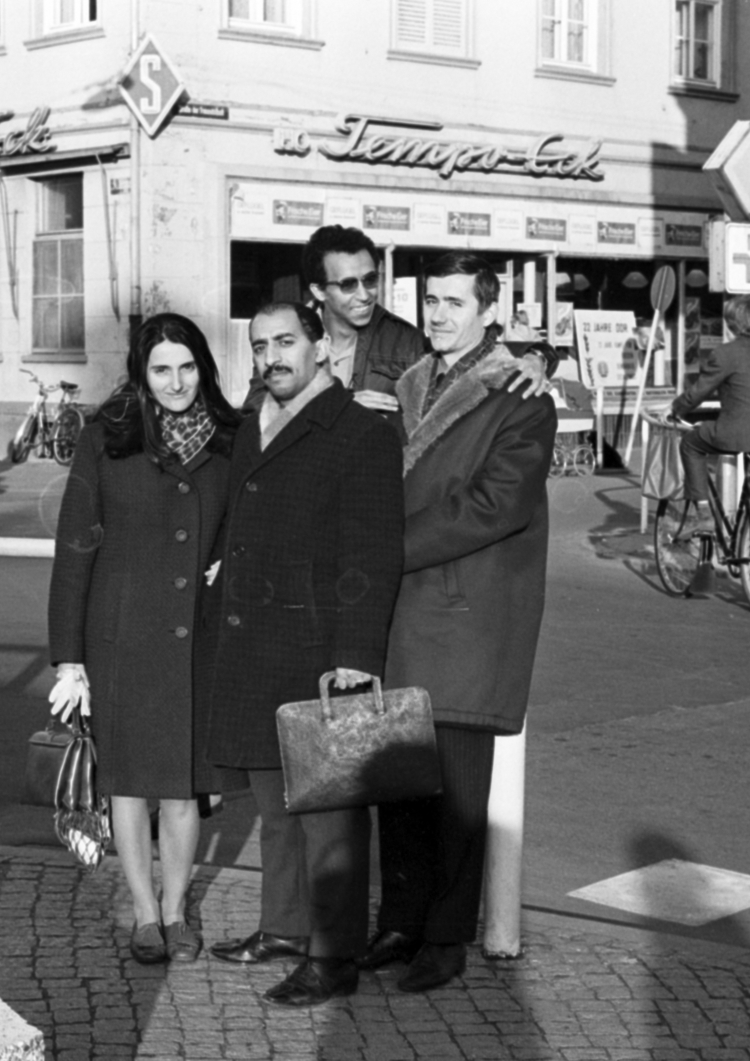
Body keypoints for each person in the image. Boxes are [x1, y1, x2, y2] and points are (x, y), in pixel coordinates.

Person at [361, 252, 557, 994]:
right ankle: (402, 921)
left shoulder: (519, 394)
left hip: (464, 616)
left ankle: (446, 936)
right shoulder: (410, 383)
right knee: (401, 786)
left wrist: (388, 549)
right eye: (430, 301)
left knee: (459, 794)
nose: (438, 314)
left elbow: (495, 505)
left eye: (452, 302)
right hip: (405, 612)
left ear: (487, 310)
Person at [199, 301, 403, 1007]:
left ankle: (333, 954)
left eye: (286, 341)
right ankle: (283, 928)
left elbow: (373, 549)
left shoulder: (358, 430)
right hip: (254, 644)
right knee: (274, 809)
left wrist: (356, 650)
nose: (272, 357)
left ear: (321, 345)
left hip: (319, 651)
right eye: (260, 346)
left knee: (329, 819)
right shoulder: (253, 420)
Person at [46, 313, 240, 966]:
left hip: (196, 638)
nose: (176, 381)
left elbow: (251, 521)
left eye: (187, 366)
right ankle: (144, 911)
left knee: (183, 784)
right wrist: (68, 656)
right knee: (127, 782)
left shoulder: (232, 436)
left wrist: (230, 560)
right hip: (121, 632)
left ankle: (179, 909)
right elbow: (75, 544)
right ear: (142, 371)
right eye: (162, 368)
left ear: (202, 368)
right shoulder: (108, 435)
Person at [243, 225, 552, 418]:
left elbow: (478, 354)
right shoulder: (289, 335)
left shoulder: (406, 341)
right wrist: (337, 404)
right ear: (319, 290)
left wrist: (537, 357)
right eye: (349, 284)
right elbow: (256, 405)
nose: (365, 294)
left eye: (370, 279)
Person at [668, 294, 750, 528]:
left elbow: (698, 392)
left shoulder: (725, 353)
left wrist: (674, 408)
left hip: (734, 433)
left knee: (691, 443)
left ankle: (703, 513)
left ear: (732, 323)